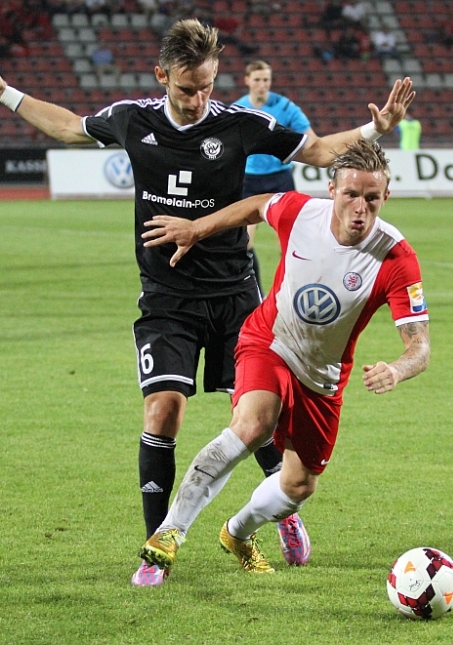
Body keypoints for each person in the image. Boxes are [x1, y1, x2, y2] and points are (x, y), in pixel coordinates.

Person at [0, 18, 415, 587]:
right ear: (162, 76)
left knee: (256, 419)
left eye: (207, 85)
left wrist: (375, 128)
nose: (199, 97)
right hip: (167, 297)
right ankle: (156, 545)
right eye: (187, 88)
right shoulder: (134, 119)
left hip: (235, 295)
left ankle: (280, 512)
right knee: (163, 411)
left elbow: (319, 150)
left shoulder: (239, 124)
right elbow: (69, 127)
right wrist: (5, 93)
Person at [137, 139, 430, 576]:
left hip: (324, 375)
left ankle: (238, 531)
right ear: (332, 190)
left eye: (371, 198)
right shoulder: (300, 212)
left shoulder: (396, 258)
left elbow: (420, 347)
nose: (360, 208)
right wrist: (197, 229)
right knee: (253, 425)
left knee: (298, 484)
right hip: (268, 341)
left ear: (386, 196)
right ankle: (169, 533)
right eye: (351, 194)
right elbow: (257, 205)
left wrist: (397, 369)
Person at [232, 60, 317, 287]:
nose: (262, 84)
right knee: (245, 244)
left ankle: (290, 294)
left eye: (266, 80)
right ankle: (257, 295)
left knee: (289, 244)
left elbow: (312, 139)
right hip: (249, 181)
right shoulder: (238, 109)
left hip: (280, 180)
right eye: (257, 80)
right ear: (247, 81)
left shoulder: (286, 107)